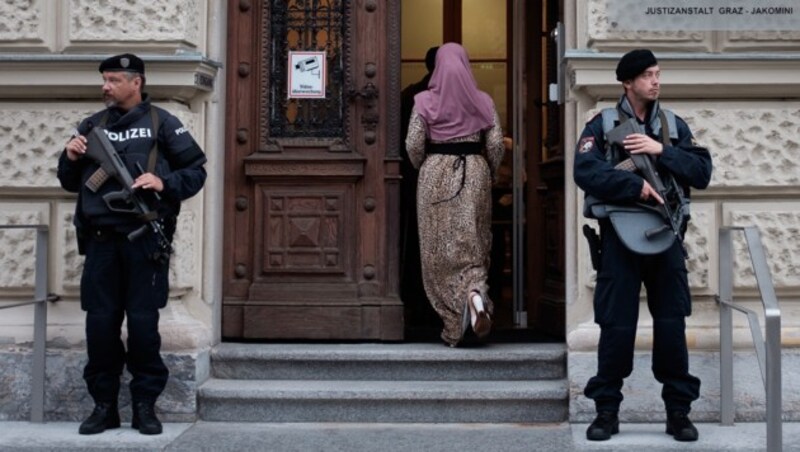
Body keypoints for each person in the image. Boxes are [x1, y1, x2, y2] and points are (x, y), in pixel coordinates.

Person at [57, 53, 207, 435]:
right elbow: (71, 182)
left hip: (143, 242)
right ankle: (104, 406)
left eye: (113, 79)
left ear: (135, 82)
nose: (105, 86)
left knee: (143, 326)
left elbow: (195, 171)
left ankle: (144, 405)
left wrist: (162, 184)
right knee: (100, 327)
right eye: (104, 79)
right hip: (102, 243)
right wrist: (71, 157)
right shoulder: (92, 126)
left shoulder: (162, 123)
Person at [574, 49, 712, 442]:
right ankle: (606, 411)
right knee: (616, 326)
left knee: (671, 324)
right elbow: (584, 170)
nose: (656, 81)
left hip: (666, 236)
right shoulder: (602, 125)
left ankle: (678, 412)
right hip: (619, 236)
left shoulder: (672, 125)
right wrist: (636, 185)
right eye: (648, 75)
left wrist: (660, 151)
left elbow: (702, 172)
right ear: (628, 82)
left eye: (657, 73)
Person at [405, 43, 504, 347]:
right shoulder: (483, 100)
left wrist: (426, 168)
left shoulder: (423, 100)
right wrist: (490, 172)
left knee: (439, 248)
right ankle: (475, 295)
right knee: (472, 241)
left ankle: (452, 321)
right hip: (474, 172)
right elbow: (497, 143)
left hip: (435, 174)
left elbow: (413, 143)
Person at [399, 46, 438, 334]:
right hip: (465, 179)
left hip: (418, 177)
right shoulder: (473, 96)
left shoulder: (413, 95)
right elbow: (494, 144)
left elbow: (411, 144)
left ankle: (416, 301)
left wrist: (420, 167)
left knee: (416, 240)